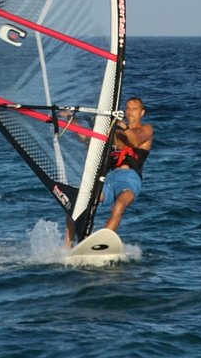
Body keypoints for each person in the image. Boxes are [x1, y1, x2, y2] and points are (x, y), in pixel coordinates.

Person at [65, 97, 153, 247]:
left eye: (134, 109)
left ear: (142, 112)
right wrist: (71, 120)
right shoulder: (116, 134)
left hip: (129, 178)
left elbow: (136, 142)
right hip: (107, 177)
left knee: (118, 206)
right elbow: (89, 141)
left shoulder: (145, 129)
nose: (130, 112)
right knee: (77, 203)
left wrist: (122, 126)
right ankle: (68, 244)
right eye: (128, 108)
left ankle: (99, 245)